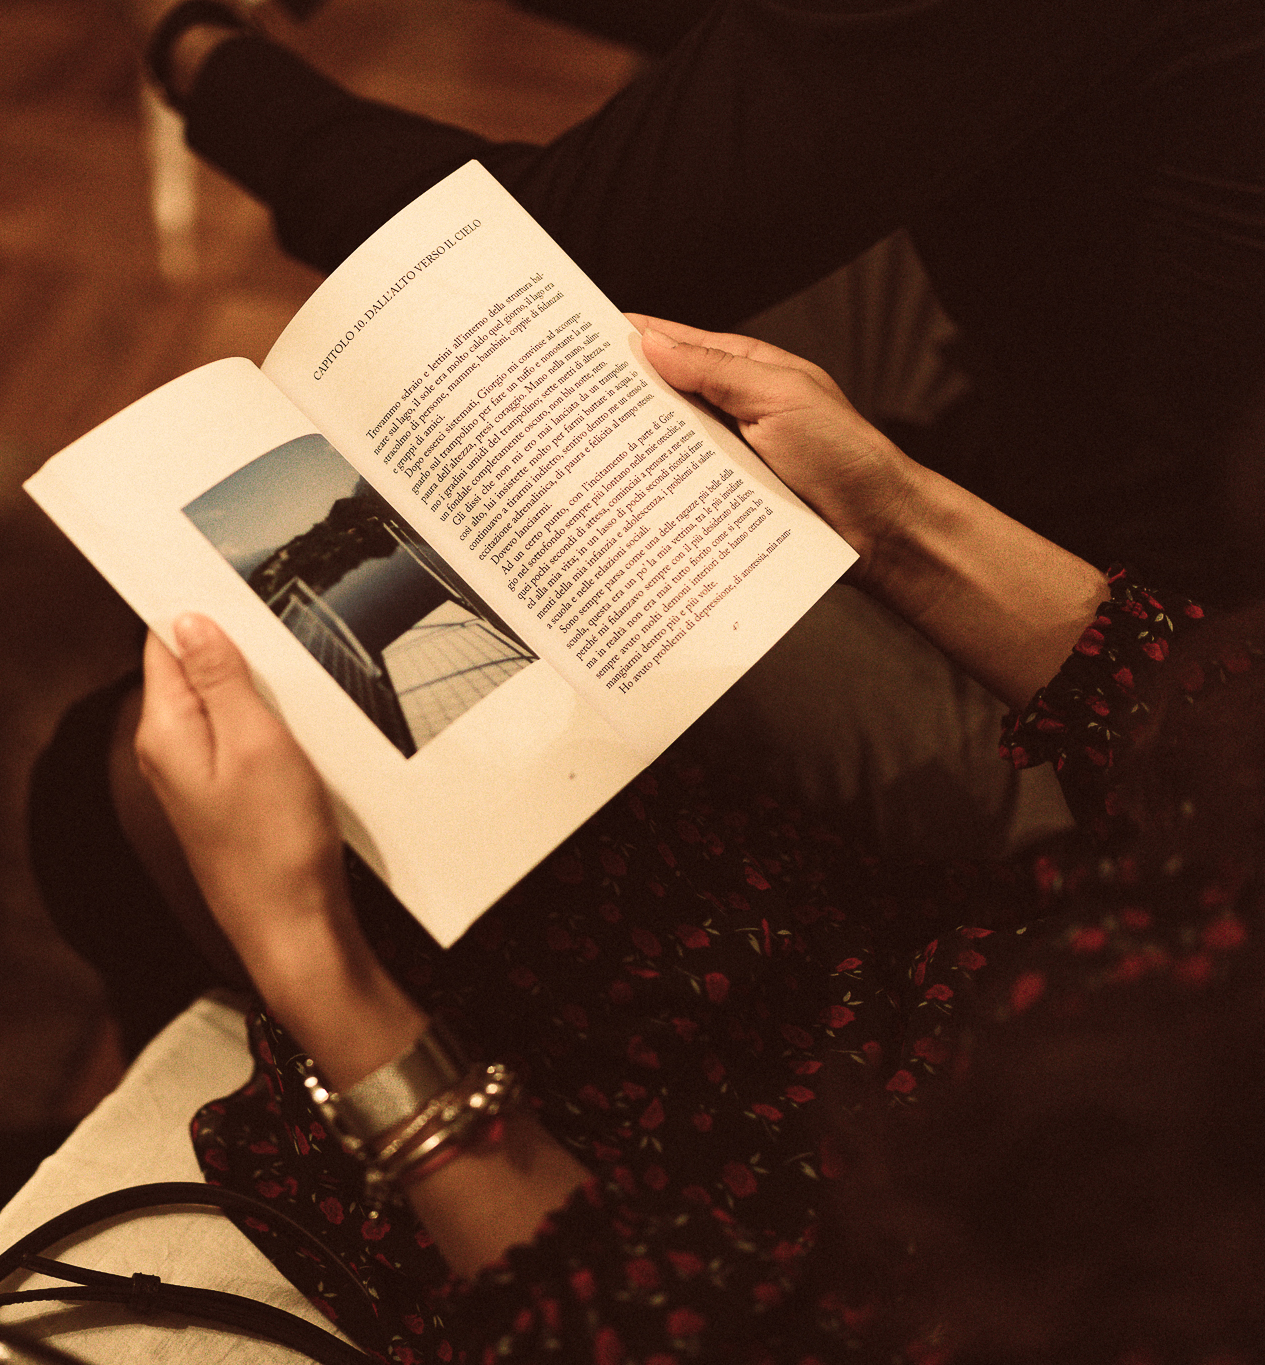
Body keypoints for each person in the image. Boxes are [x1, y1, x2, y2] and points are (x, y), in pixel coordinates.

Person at [108, 318, 1263, 1362]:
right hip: (852, 959)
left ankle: (133, 1033)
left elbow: (637, 1329)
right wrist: (888, 510)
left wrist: (306, 955)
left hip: (689, 1229)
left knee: (122, 773)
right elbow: (1218, 742)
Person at [144, 0, 1265, 605]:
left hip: (1144, 612)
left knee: (106, 780)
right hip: (1067, 394)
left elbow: (532, 254)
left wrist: (193, 49)